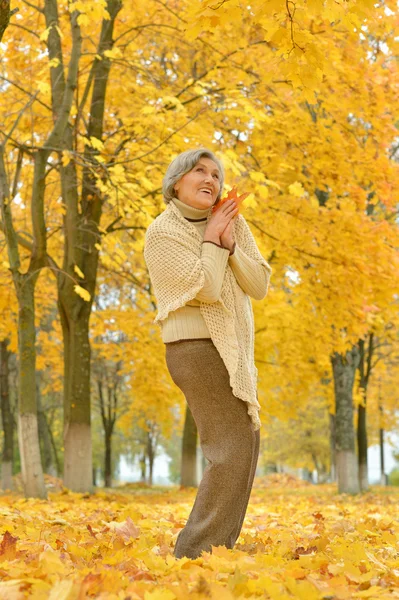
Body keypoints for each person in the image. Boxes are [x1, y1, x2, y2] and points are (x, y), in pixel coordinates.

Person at [143, 148, 272, 559]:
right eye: (199, 171)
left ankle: (218, 547)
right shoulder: (164, 232)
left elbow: (260, 284)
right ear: (176, 181)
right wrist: (213, 240)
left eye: (216, 174)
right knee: (230, 447)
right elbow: (207, 288)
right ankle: (196, 551)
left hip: (230, 348)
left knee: (245, 443)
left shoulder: (233, 223)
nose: (210, 180)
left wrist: (231, 244)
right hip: (195, 349)